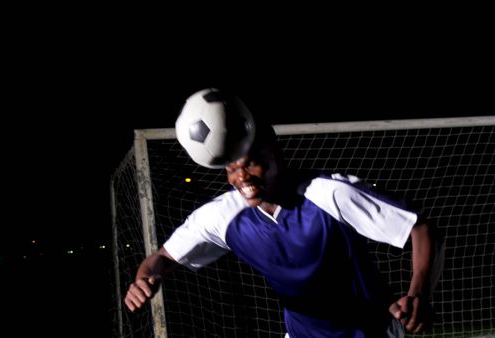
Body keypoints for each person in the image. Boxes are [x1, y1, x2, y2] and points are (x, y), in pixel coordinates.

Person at [125, 96, 440, 337]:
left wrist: (417, 294)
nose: (241, 177)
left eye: (250, 164)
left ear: (274, 153)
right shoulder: (222, 216)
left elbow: (420, 227)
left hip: (371, 332)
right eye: (231, 168)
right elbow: (163, 258)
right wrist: (144, 278)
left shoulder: (328, 195)